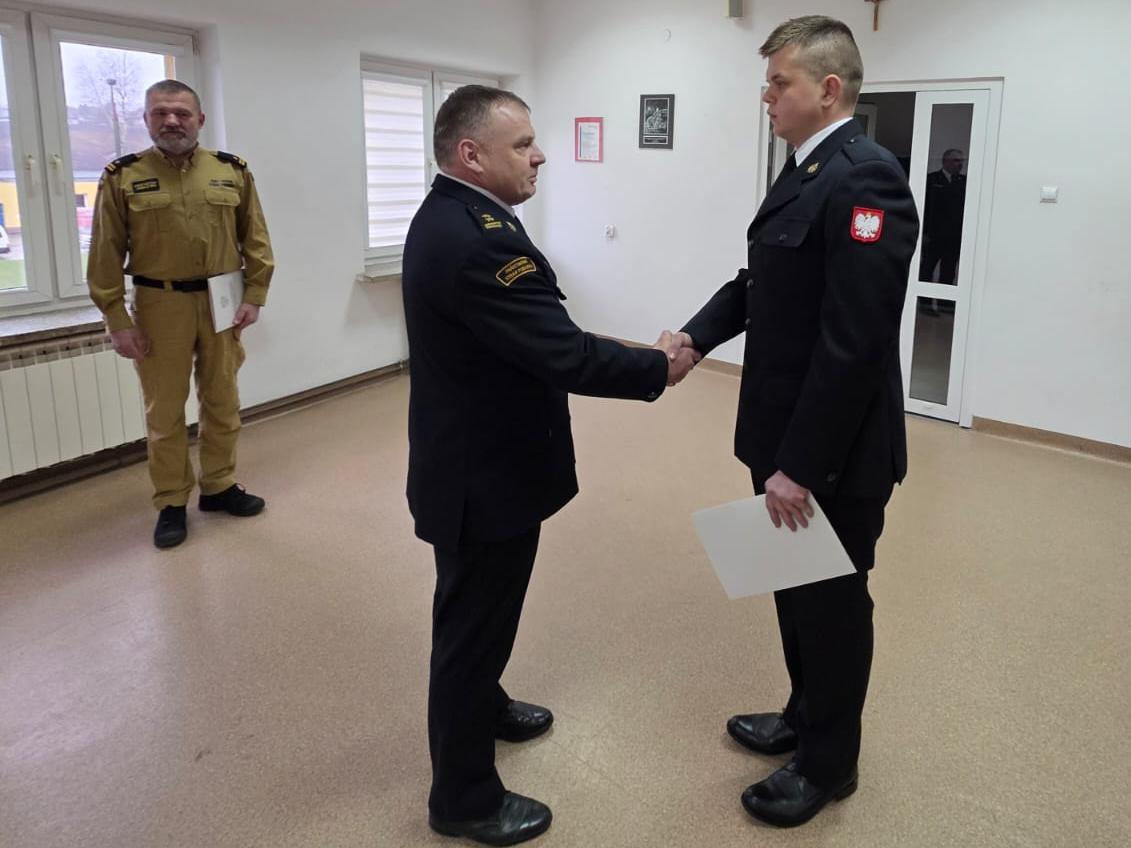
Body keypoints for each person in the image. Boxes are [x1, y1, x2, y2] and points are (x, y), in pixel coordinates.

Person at [402, 85, 697, 846]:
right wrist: (656, 366)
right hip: (482, 476)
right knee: (471, 626)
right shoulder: (478, 239)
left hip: (476, 459)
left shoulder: (460, 214)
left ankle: (486, 704)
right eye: (523, 144)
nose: (540, 156)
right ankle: (463, 798)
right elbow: (563, 352)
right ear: (471, 154)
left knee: (482, 611)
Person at [670, 16, 919, 827]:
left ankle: (827, 764)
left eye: (779, 82)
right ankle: (801, 713)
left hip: (830, 453)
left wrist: (801, 464)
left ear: (828, 89)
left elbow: (853, 342)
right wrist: (694, 338)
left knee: (832, 604)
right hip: (782, 435)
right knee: (793, 587)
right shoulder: (806, 170)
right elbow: (762, 282)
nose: (766, 97)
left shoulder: (865, 179)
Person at [87, 80, 274, 550]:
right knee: (165, 410)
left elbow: (255, 239)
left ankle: (219, 486)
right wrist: (116, 319)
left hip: (221, 301)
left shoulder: (231, 171)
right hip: (159, 304)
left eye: (182, 113)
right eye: (160, 113)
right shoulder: (122, 176)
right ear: (147, 119)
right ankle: (171, 501)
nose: (172, 121)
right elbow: (105, 254)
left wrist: (254, 294)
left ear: (200, 120)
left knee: (222, 399)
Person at [919, 148, 967, 285]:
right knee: (926, 269)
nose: (960, 164)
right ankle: (923, 298)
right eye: (956, 160)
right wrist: (923, 232)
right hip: (933, 236)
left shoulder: (964, 181)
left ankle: (944, 299)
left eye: (961, 161)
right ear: (946, 161)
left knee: (948, 272)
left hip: (954, 237)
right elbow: (924, 207)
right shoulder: (931, 179)